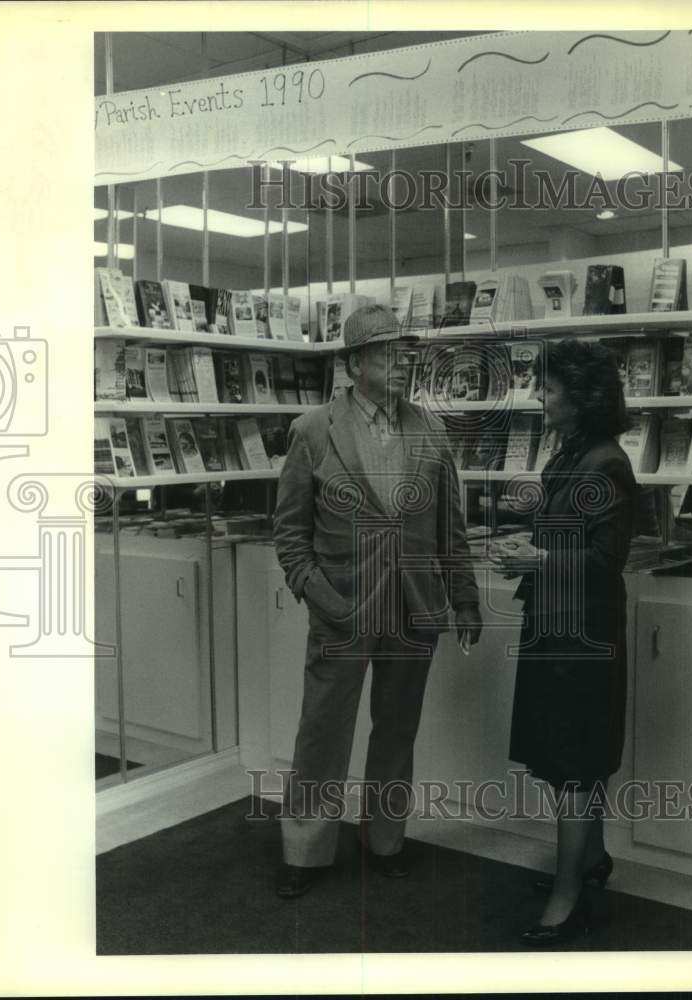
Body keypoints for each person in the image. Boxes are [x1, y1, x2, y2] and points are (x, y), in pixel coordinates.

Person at [272, 304, 483, 898]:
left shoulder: (432, 430)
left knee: (397, 728)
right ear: (354, 362)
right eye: (388, 353)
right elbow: (289, 533)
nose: (402, 363)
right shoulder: (314, 429)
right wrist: (318, 594)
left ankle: (384, 837)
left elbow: (450, 527)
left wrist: (463, 598)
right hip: (342, 606)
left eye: (407, 353)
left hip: (416, 606)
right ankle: (305, 848)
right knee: (322, 728)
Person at [492, 338, 635, 946]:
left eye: (547, 389)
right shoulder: (573, 453)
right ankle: (592, 859)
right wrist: (528, 556)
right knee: (565, 758)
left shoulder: (607, 462)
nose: (539, 398)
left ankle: (567, 896)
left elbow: (607, 560)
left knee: (574, 764)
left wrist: (538, 557)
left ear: (580, 397)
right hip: (558, 627)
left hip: (584, 638)